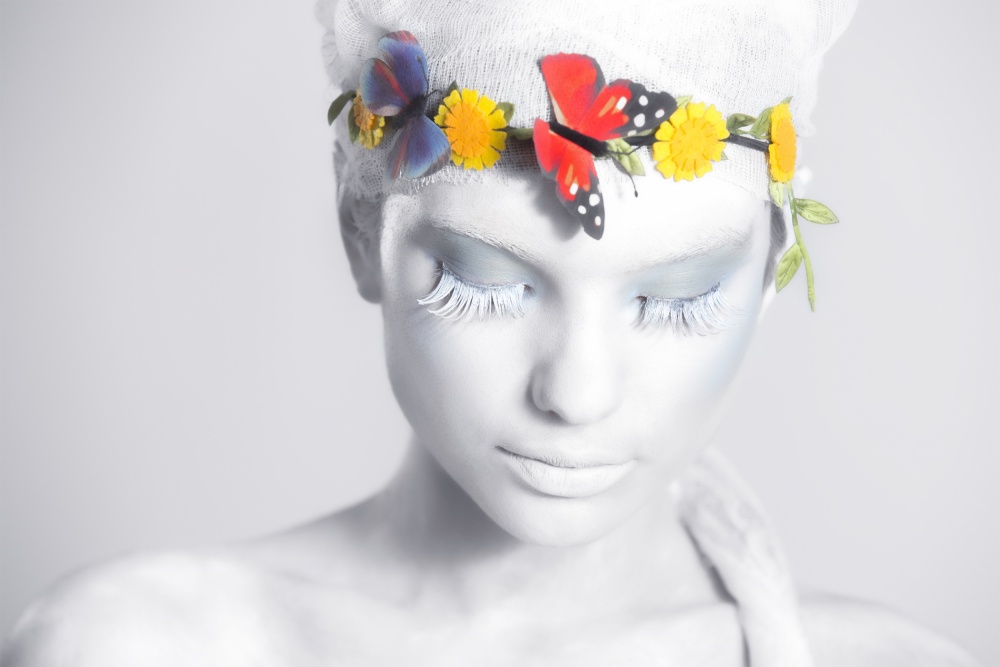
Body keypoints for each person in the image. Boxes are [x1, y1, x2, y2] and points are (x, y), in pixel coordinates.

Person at [1, 0, 982, 665]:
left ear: (771, 267)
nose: (578, 392)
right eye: (485, 287)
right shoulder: (137, 647)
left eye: (677, 301)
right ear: (361, 231)